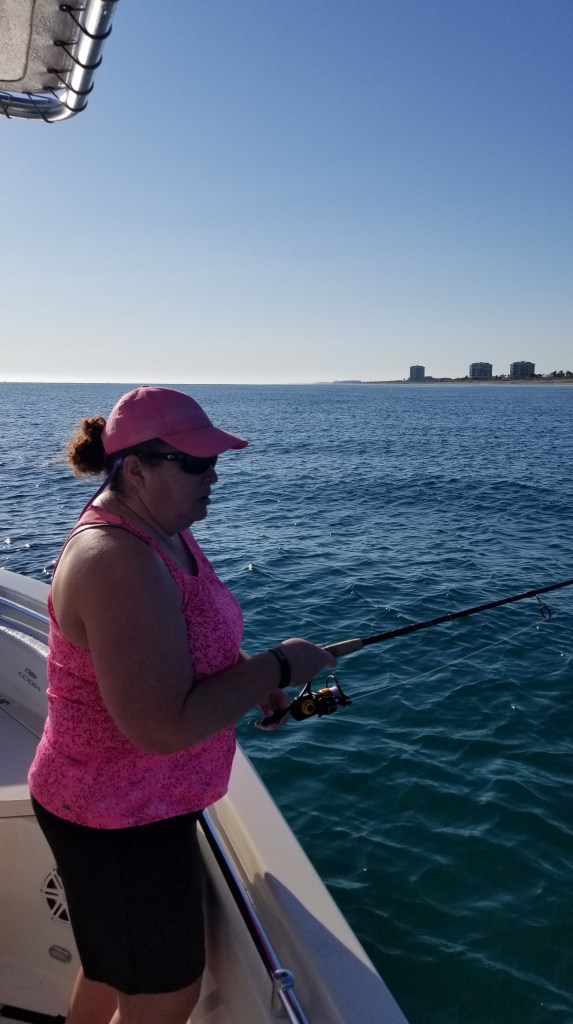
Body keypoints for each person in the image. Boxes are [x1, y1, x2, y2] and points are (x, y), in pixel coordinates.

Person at [28, 385, 336, 1024]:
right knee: (165, 998)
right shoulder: (115, 559)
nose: (212, 475)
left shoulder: (163, 530)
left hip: (135, 806)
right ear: (136, 469)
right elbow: (161, 727)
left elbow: (186, 638)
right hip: (115, 818)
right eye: (195, 463)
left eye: (214, 461)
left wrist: (250, 679)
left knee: (111, 968)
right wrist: (279, 664)